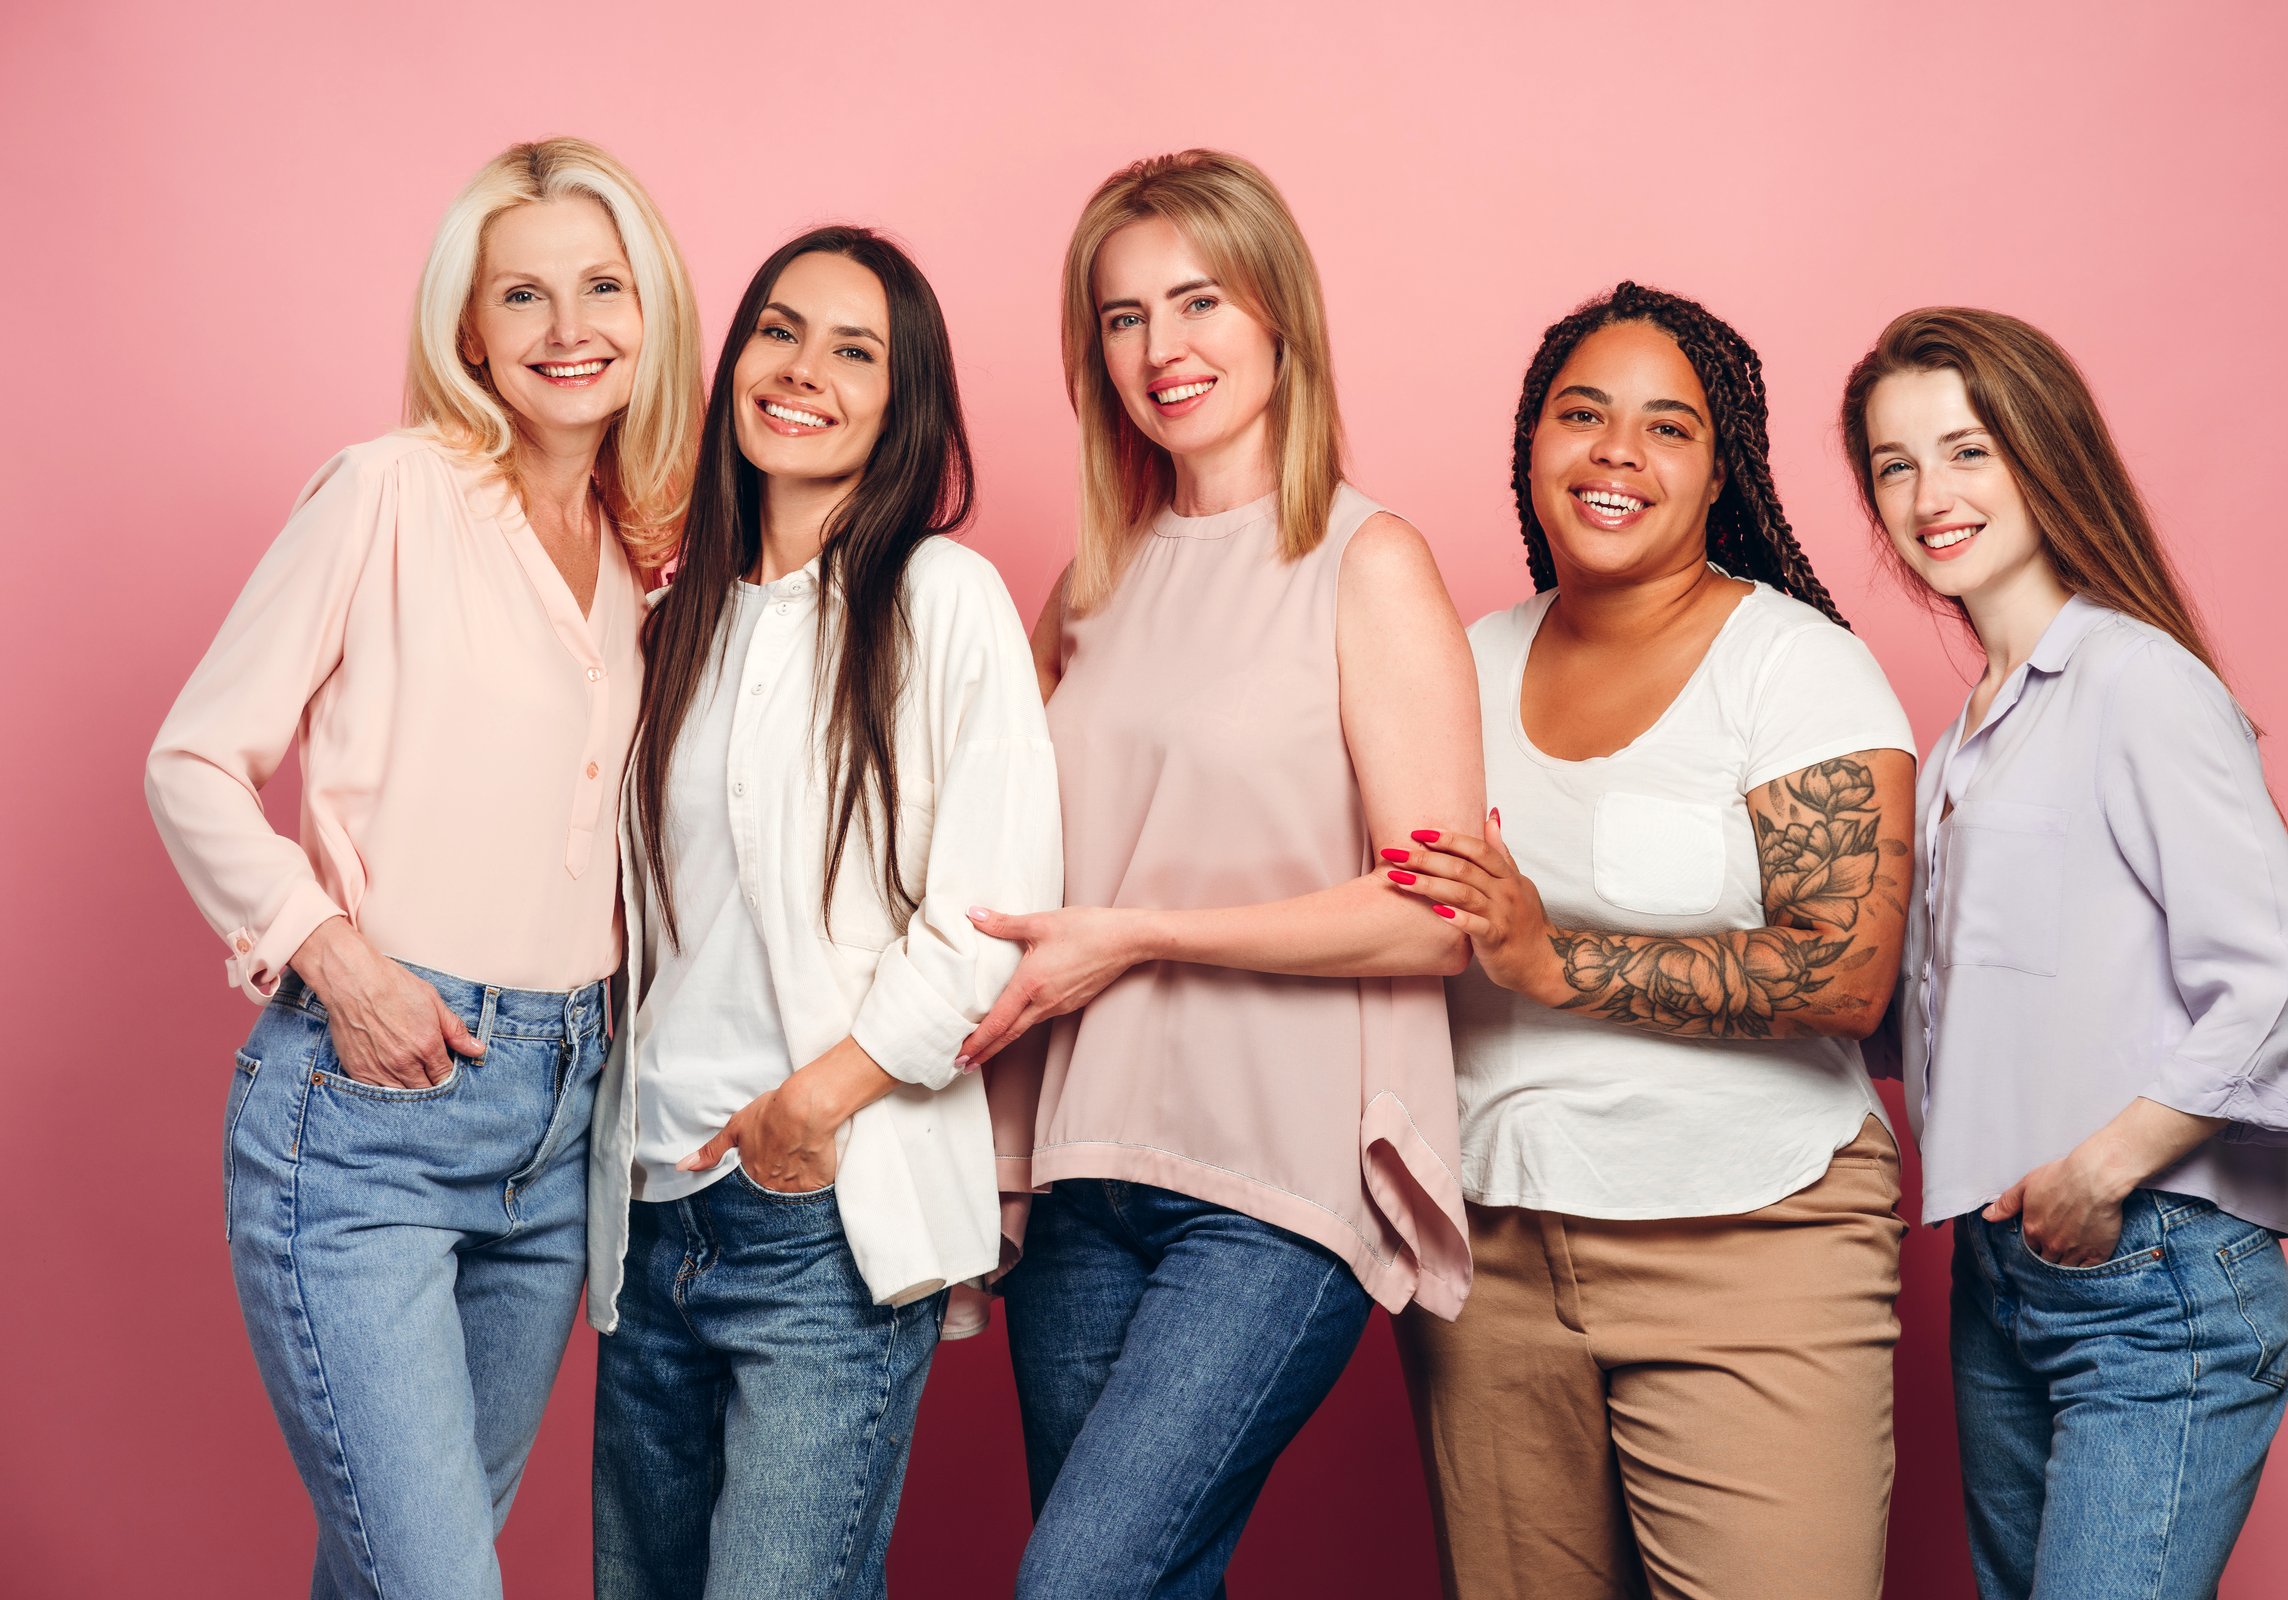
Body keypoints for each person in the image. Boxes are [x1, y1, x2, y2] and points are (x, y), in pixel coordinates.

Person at [144, 137, 702, 1598]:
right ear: (470, 330)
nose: (570, 329)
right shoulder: (386, 491)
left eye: (603, 286)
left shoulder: (655, 561)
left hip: (560, 1126)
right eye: (524, 295)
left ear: (652, 312)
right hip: (370, 1107)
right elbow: (191, 758)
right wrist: (337, 960)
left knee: (394, 1568)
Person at [958, 149, 1484, 1598]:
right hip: (1080, 1170)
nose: (1160, 349)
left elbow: (1437, 918)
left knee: (1075, 1582)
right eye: (1121, 318)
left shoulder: (1365, 563)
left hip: (1272, 1183)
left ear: (1279, 319)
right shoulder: (1089, 587)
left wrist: (1142, 937)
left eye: (1197, 302)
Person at [1387, 282, 1915, 1600]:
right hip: (1493, 1256)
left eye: (1667, 428)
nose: (1617, 453)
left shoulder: (1793, 667)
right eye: (1583, 414)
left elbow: (1849, 972)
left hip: (1755, 1239)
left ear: (1718, 469)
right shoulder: (1451, 668)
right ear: (1530, 444)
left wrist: (1552, 955)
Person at [585, 225, 1061, 1600]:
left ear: (905, 405)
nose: (803, 371)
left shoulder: (938, 600)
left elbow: (993, 907)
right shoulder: (670, 618)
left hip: (821, 1217)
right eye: (779, 331)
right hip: (654, 1210)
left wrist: (819, 1103)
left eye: (856, 352)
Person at [1841, 307, 2288, 1600]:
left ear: (2044, 452)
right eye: (1894, 465)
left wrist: (2100, 1169)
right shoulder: (1958, 752)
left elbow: (2285, 977)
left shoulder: (2135, 682)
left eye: (1966, 450)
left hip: (2150, 1268)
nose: (1928, 496)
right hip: (2000, 1279)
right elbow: (1943, 1023)